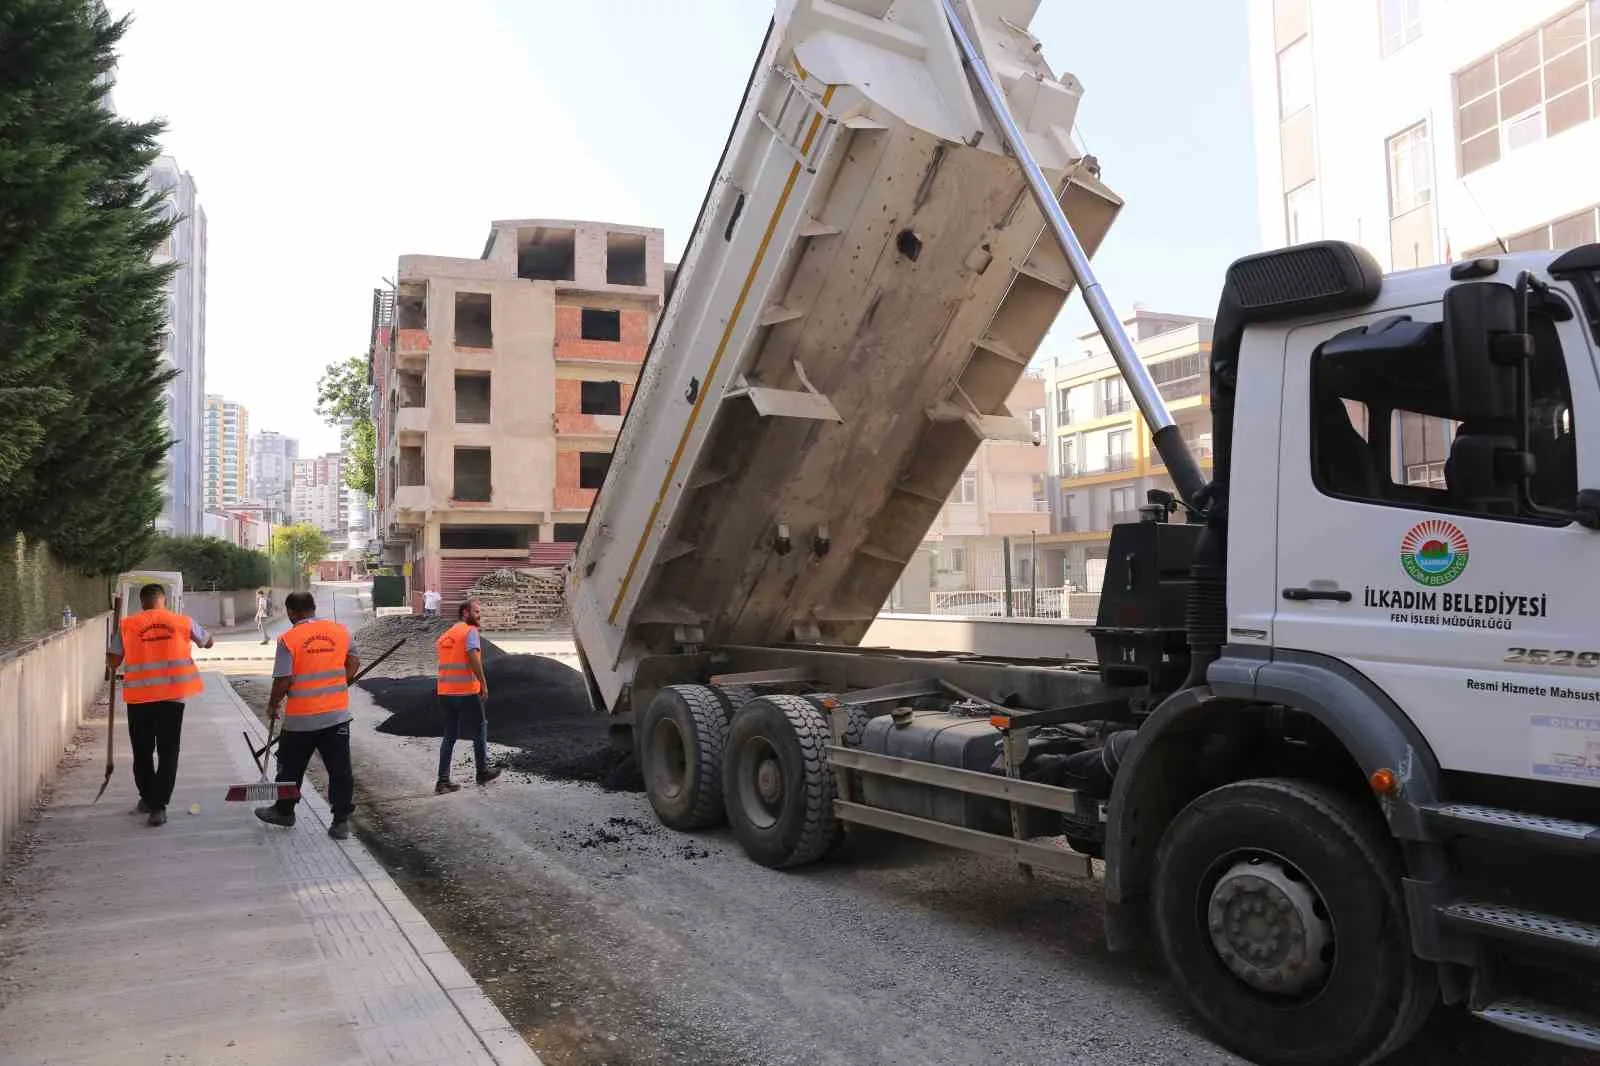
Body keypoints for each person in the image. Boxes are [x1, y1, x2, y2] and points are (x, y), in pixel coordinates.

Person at [105, 583, 213, 826]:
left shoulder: (128, 625)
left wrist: (113, 648)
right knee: (168, 752)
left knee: (142, 751)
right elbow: (208, 642)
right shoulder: (183, 622)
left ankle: (147, 797)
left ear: (142, 601)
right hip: (172, 698)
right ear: (163, 600)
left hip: (139, 699)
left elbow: (113, 661)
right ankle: (158, 806)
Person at [254, 591, 360, 840]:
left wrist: (272, 705)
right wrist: (342, 681)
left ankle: (284, 811)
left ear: (291, 612)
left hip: (301, 719)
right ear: (313, 608)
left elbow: (282, 680)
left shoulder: (289, 639)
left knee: (290, 767)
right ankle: (341, 821)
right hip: (336, 717)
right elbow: (354, 660)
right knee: (340, 769)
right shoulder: (340, 631)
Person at [435, 599, 501, 793]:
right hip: (466, 692)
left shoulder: (449, 633)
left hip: (445, 692)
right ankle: (482, 772)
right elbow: (472, 655)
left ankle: (442, 781)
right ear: (465, 612)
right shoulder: (470, 631)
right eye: (476, 611)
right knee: (480, 728)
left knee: (450, 736)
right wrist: (483, 682)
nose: (479, 615)